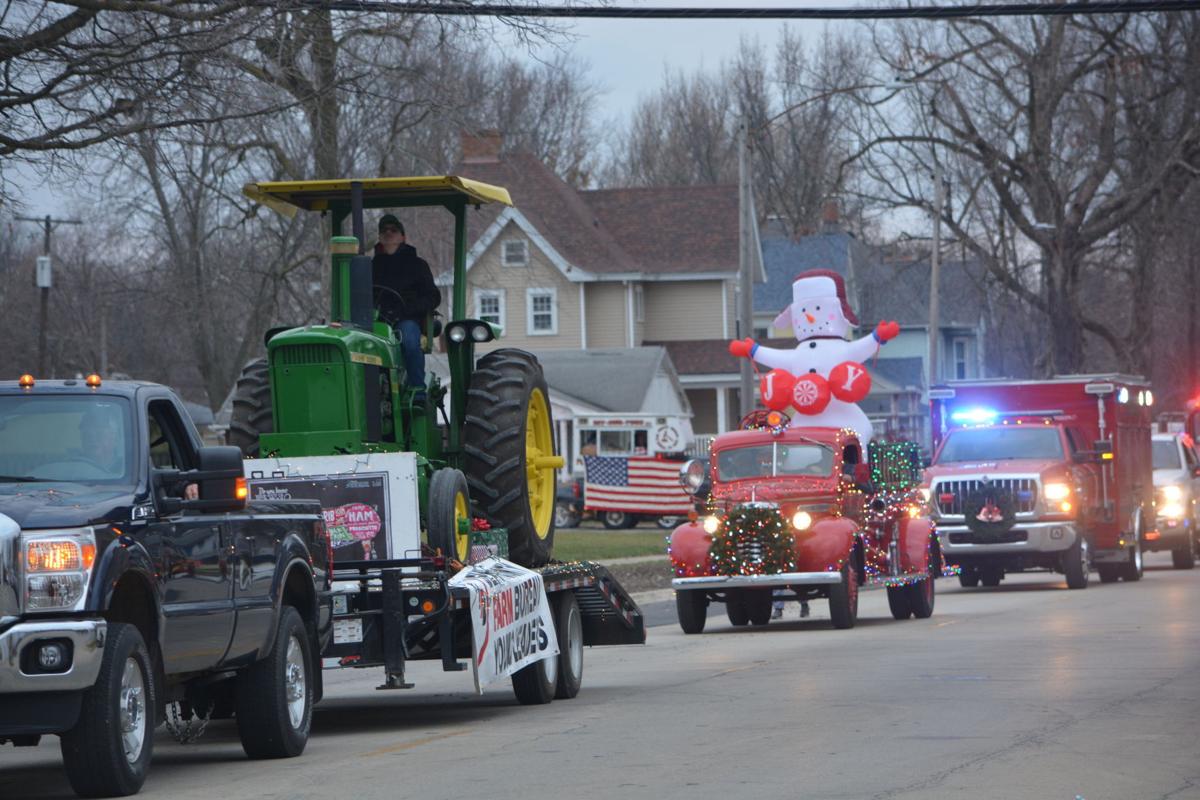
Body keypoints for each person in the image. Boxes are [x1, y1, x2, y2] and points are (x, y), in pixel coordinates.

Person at [372, 214, 441, 397]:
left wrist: (409, 309)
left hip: (406, 318)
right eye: (384, 231)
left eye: (393, 230)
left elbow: (433, 297)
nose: (388, 234)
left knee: (410, 341)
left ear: (403, 237)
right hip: (376, 320)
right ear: (379, 237)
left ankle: (417, 390)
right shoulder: (370, 267)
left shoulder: (417, 265)